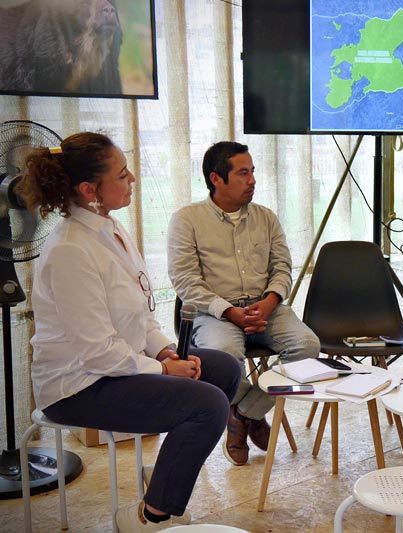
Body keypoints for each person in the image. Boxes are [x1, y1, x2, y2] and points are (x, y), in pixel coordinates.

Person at [19, 132, 241, 532]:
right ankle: (147, 517)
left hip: (114, 367)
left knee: (223, 368)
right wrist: (163, 372)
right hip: (78, 386)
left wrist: (165, 354)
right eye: (122, 175)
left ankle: (167, 472)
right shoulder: (70, 249)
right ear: (90, 190)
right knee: (207, 406)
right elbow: (97, 353)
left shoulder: (111, 229)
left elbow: (141, 315)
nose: (133, 178)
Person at [167, 141, 320, 466]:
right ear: (216, 178)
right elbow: (185, 281)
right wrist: (230, 311)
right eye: (244, 173)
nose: (253, 180)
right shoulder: (187, 220)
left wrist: (269, 302)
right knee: (222, 359)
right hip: (214, 313)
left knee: (308, 347)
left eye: (253, 172)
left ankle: (244, 413)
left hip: (266, 309)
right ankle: (251, 414)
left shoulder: (266, 217)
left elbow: (282, 268)